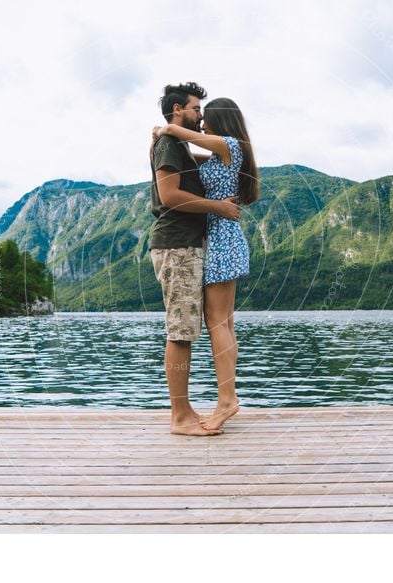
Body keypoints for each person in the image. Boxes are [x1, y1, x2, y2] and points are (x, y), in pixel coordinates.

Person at [153, 97, 260, 431]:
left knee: (218, 323)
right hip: (217, 236)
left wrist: (166, 128)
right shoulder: (221, 154)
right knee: (223, 322)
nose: (201, 121)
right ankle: (226, 397)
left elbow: (190, 140)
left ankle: (227, 399)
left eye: (205, 115)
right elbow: (191, 157)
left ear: (220, 121)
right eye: (197, 112)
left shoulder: (229, 144)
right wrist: (161, 142)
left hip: (221, 237)